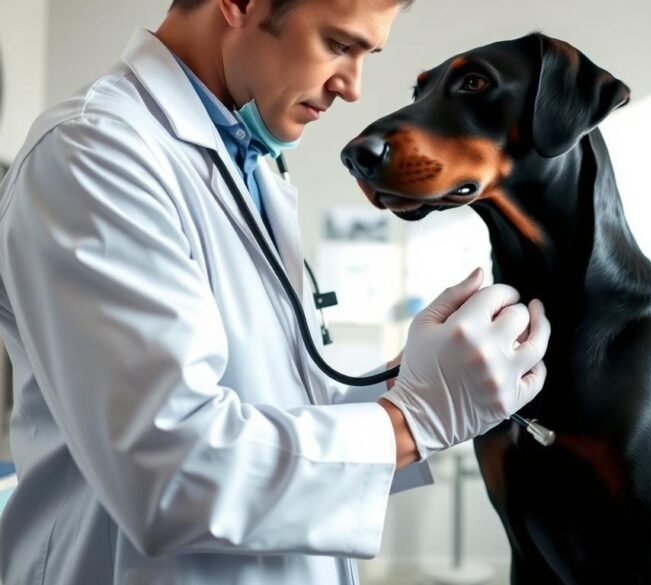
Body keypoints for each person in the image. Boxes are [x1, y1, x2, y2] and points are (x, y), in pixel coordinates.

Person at [0, 0, 551, 583]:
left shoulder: (252, 166)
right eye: (340, 45)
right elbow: (172, 473)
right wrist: (413, 420)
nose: (353, 88)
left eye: (367, 54)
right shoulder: (92, 153)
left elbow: (268, 404)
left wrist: (410, 380)